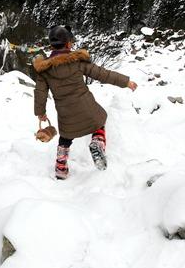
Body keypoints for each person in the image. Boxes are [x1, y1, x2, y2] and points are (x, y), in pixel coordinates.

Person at [33, 25, 137, 179]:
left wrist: (40, 113)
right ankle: (98, 142)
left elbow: (40, 93)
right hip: (86, 106)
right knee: (100, 121)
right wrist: (126, 82)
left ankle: (61, 168)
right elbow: (103, 74)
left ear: (50, 46)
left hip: (65, 112)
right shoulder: (77, 62)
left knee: (65, 138)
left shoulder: (44, 70)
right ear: (69, 44)